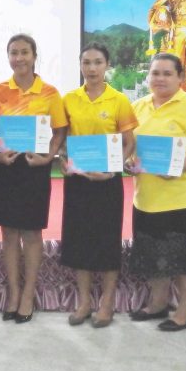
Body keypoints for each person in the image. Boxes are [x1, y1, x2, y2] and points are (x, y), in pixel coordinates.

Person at [126, 53, 186, 331]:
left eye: (167, 73)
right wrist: (129, 162)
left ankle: (185, 311)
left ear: (180, 77)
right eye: (155, 73)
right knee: (155, 257)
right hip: (146, 200)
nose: (160, 79)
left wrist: (179, 166)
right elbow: (131, 147)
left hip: (184, 201)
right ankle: (158, 304)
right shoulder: (137, 107)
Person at [0, 34, 67, 323]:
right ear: (8, 56)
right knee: (8, 234)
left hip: (35, 168)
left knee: (32, 234)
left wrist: (49, 157)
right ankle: (13, 292)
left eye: (24, 52)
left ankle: (28, 294)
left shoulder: (49, 93)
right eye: (14, 53)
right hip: (6, 169)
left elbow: (60, 130)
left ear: (34, 56)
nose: (19, 58)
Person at [60, 43, 137, 328]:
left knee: (106, 241)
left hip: (107, 183)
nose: (91, 68)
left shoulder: (119, 100)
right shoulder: (69, 99)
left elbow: (129, 142)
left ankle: (107, 303)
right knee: (78, 240)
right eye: (86, 62)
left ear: (107, 65)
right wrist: (63, 160)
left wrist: (113, 168)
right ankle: (83, 303)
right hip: (78, 182)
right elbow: (62, 141)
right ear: (80, 65)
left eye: (97, 62)